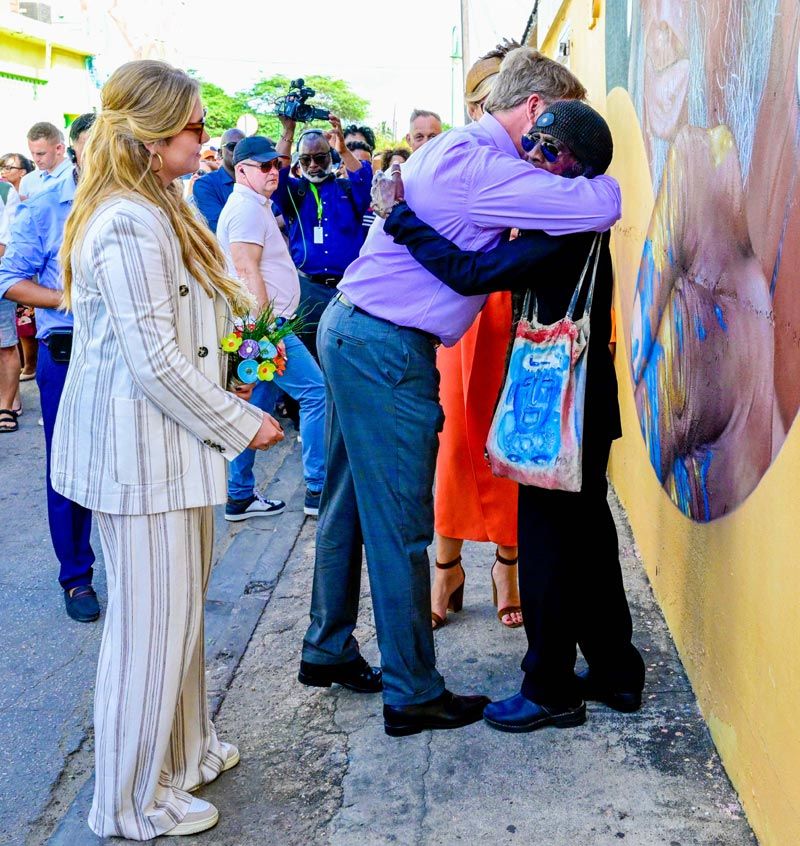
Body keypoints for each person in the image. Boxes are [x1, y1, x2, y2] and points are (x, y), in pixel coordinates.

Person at [299, 47, 621, 738]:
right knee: (398, 526)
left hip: (354, 327)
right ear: (536, 107)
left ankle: (326, 646)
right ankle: (412, 690)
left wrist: (400, 214)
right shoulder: (489, 170)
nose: (540, 151)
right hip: (385, 345)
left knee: (348, 503)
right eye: (545, 129)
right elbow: (603, 198)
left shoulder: (446, 147)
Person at [50, 60, 284, 839]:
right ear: (152, 137)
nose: (204, 136)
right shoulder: (124, 219)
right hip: (137, 458)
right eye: (191, 125)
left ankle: (183, 758)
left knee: (178, 622)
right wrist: (239, 420)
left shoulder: (157, 204)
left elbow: (180, 331)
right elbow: (151, 360)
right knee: (148, 635)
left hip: (168, 451)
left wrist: (244, 354)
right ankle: (125, 803)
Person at [377, 99, 646, 732]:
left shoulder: (562, 229)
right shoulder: (561, 217)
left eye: (548, 151)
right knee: (588, 539)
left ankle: (551, 687)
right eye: (533, 142)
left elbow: (473, 272)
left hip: (559, 410)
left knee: (549, 549)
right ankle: (615, 673)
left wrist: (402, 221)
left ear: (572, 168)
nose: (531, 157)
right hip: (580, 404)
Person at [428, 40, 539, 632]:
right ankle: (446, 564)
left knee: (508, 440)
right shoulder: (456, 154)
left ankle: (506, 562)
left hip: (514, 311)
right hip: (455, 311)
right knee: (450, 440)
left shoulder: (537, 156)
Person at [0, 115, 102, 615]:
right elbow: (10, 280)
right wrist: (70, 300)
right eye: (93, 146)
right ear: (76, 151)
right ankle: (76, 577)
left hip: (127, 352)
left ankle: (133, 570)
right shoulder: (42, 205)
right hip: (68, 351)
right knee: (68, 466)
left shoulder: (141, 202)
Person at [218, 136, 326, 519]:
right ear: (242, 169)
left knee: (254, 409)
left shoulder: (254, 205)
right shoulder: (246, 208)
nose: (273, 172)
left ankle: (240, 494)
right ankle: (317, 488)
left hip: (263, 326)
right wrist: (265, 333)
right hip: (268, 326)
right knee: (316, 394)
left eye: (275, 165)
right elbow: (247, 270)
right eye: (264, 166)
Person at [273, 114, 372, 360]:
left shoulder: (347, 190)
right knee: (310, 359)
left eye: (320, 157)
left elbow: (365, 182)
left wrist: (345, 149)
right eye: (306, 159)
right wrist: (288, 132)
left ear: (331, 157)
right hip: (307, 289)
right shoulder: (294, 192)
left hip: (347, 290)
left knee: (345, 360)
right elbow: (276, 174)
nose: (313, 165)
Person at [192, 125, 244, 232]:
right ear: (220, 153)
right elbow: (222, 229)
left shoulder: (257, 179)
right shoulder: (205, 185)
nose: (239, 152)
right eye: (232, 146)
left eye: (243, 147)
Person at [19, 122, 72, 199]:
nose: (36, 159)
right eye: (32, 153)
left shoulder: (77, 176)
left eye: (41, 153)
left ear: (59, 149)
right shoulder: (27, 181)